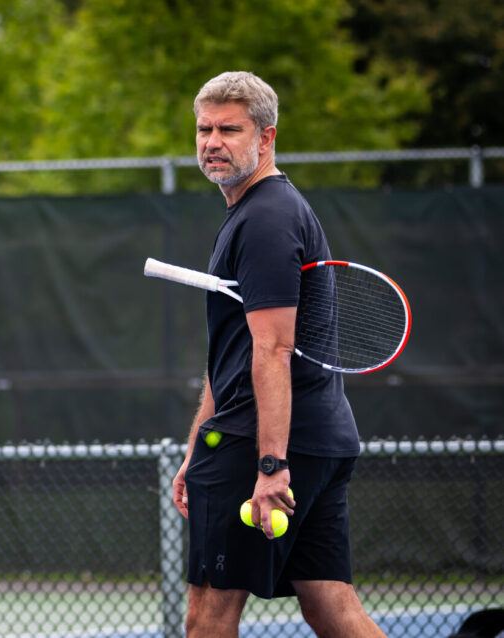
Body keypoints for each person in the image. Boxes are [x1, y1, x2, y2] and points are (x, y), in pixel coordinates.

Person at [169, 71, 386, 638]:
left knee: (208, 616)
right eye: (204, 129)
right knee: (332, 607)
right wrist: (198, 443)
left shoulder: (265, 218)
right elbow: (233, 354)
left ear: (265, 138)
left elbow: (272, 349)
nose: (212, 141)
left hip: (261, 448)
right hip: (315, 439)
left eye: (229, 129)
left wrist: (271, 465)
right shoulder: (254, 213)